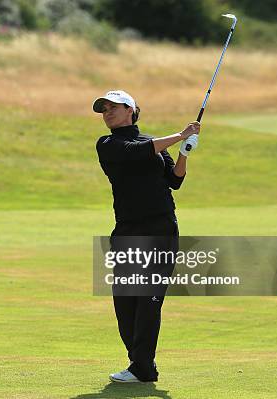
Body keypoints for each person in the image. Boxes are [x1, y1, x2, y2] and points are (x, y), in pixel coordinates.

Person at [93, 90, 200, 383]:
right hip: (128, 228)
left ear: (130, 110)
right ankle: (139, 363)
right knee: (126, 299)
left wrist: (184, 152)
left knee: (149, 299)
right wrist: (180, 134)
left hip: (161, 228)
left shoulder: (151, 143)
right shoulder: (108, 144)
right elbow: (134, 153)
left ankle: (143, 366)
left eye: (113, 107)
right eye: (104, 109)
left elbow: (174, 181)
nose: (107, 113)